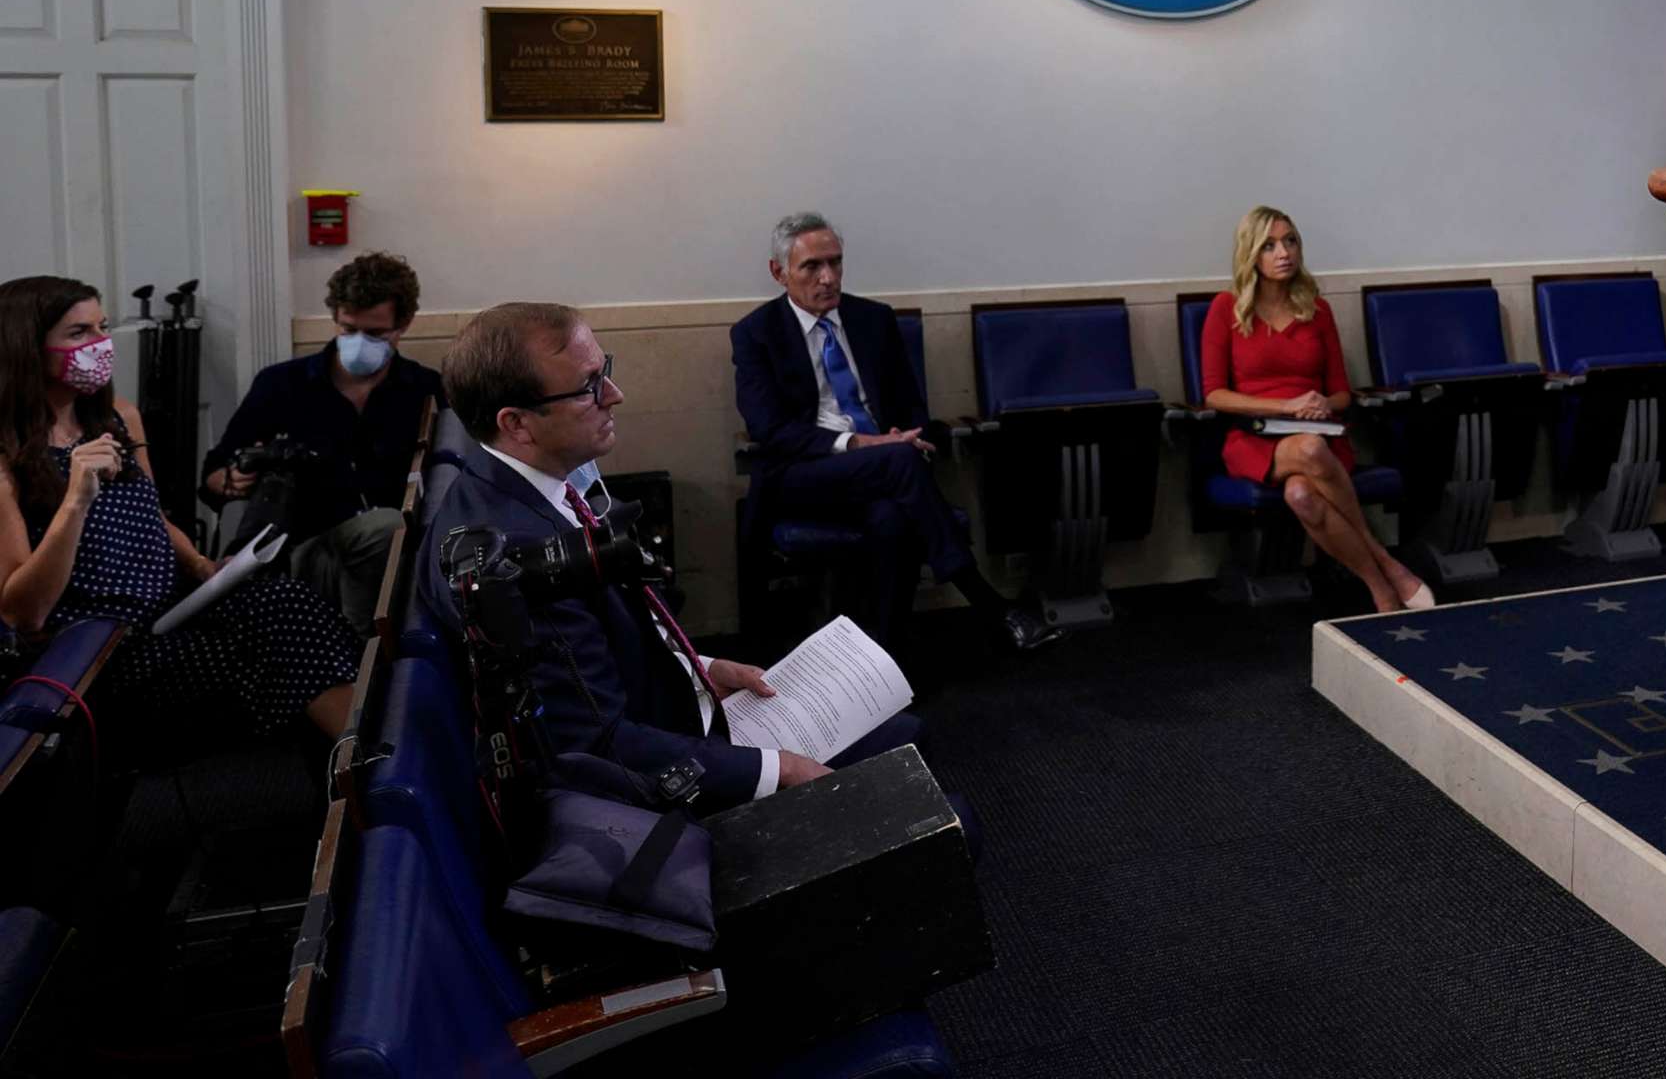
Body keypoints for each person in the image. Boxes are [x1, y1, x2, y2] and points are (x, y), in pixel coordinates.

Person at [417, 300, 828, 806]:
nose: (615, 395)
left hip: (668, 710)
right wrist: (779, 770)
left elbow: (597, 658)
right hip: (650, 787)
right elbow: (598, 746)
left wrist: (702, 667)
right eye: (589, 386)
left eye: (604, 370)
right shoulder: (519, 560)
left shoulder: (518, 494)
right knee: (914, 762)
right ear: (518, 424)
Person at [0, 276, 357, 762]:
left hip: (169, 611)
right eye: (78, 333)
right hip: (99, 655)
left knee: (287, 599)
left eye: (102, 327)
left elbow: (150, 513)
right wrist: (75, 501)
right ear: (27, 346)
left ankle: (361, 764)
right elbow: (23, 613)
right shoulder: (8, 456)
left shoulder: (117, 418)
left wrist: (202, 566)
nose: (100, 344)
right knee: (278, 643)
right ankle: (365, 771)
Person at [731, 215, 1060, 655]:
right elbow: (768, 430)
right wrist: (865, 444)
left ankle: (885, 659)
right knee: (898, 463)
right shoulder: (756, 334)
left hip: (883, 472)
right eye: (812, 266)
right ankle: (989, 603)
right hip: (803, 474)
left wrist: (907, 435)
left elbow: (911, 407)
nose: (828, 278)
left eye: (836, 263)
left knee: (891, 516)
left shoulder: (873, 320)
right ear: (779, 272)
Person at [1201, 206, 1432, 613]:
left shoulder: (1317, 309)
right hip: (1255, 438)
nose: (1283, 252)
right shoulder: (1227, 308)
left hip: (1321, 436)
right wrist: (1284, 404)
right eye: (1269, 245)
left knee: (1301, 494)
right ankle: (1386, 568)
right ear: (1251, 254)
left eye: (1290, 241)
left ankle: (1379, 591)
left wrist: (1323, 403)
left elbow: (1342, 394)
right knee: (1306, 451)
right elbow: (1214, 394)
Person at [202, 251, 442, 634]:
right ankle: (360, 664)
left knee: (385, 529)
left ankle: (366, 663)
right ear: (335, 318)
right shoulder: (281, 385)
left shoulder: (426, 390)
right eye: (348, 330)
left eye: (375, 334)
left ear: (404, 324)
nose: (359, 343)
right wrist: (233, 478)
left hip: (399, 555)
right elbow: (212, 475)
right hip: (305, 550)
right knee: (382, 527)